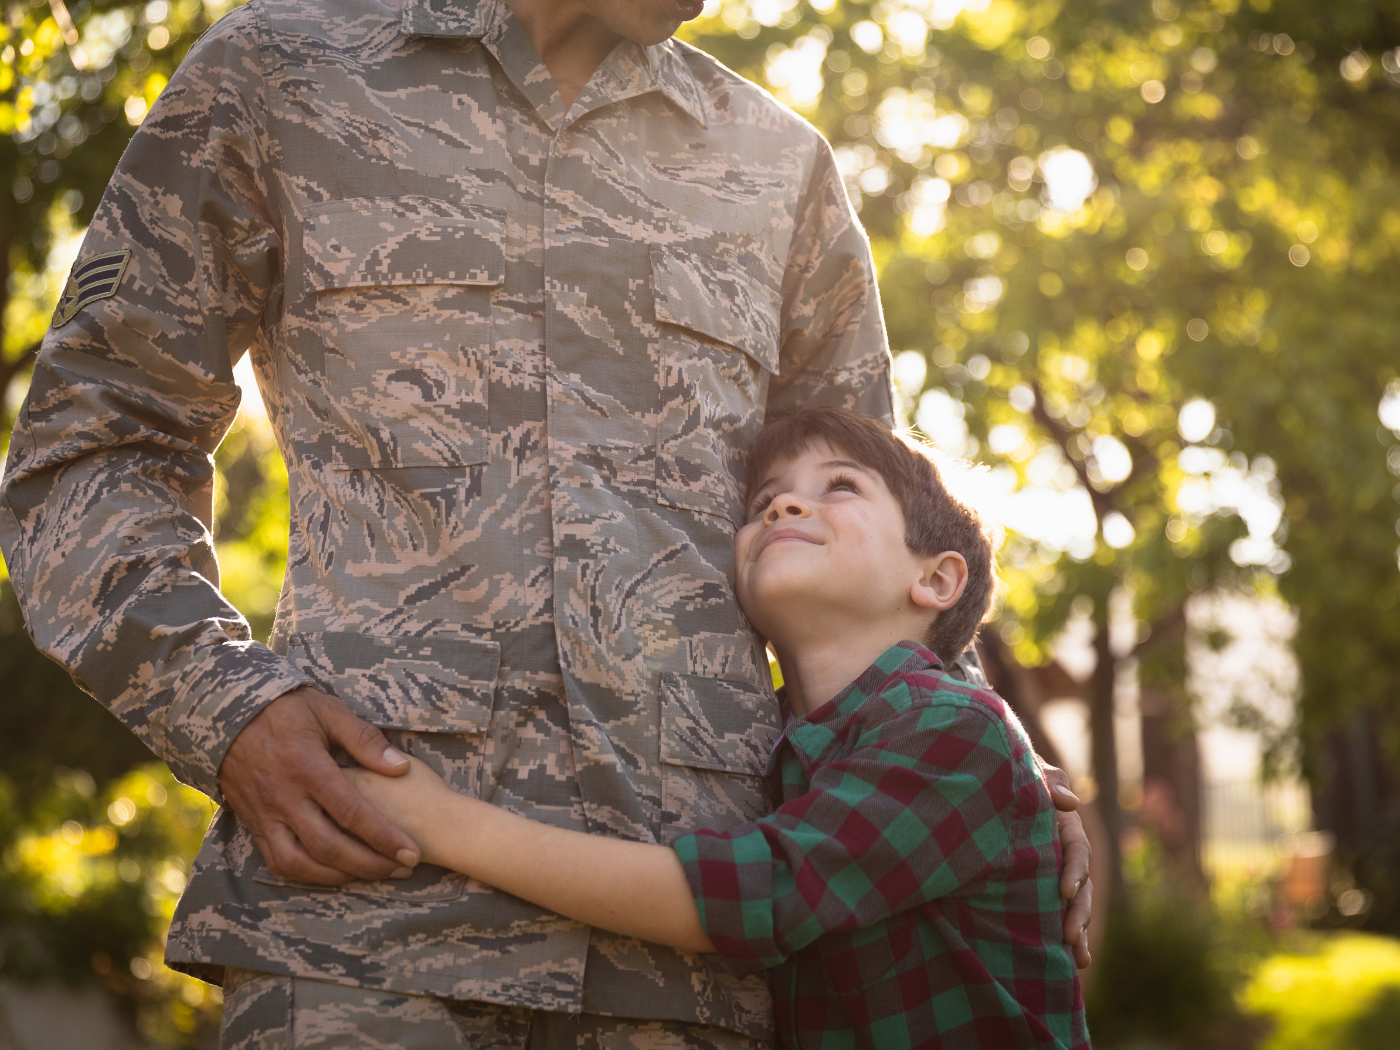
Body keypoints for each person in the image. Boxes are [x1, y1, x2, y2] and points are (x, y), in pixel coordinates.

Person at [0, 0, 1091, 1044]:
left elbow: (873, 528)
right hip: (361, 932)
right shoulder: (277, 75)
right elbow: (91, 447)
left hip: (697, 975)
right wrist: (226, 707)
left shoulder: (779, 166)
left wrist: (985, 775)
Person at [348, 407, 1091, 1049]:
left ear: (935, 580)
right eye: (765, 499)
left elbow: (760, 895)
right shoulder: (764, 740)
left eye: (840, 487)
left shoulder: (954, 729)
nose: (781, 509)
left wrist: (440, 822)